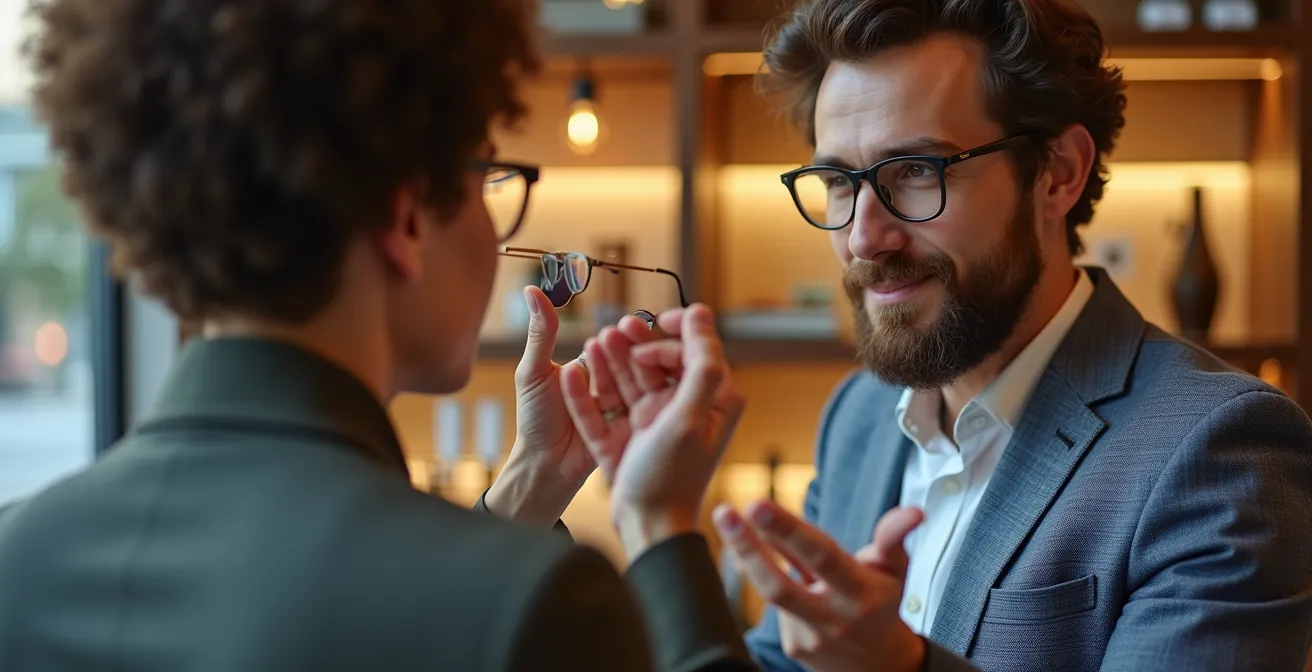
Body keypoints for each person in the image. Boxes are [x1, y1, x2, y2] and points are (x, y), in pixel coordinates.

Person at [546, 0, 1312, 670]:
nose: (863, 238)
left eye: (915, 170)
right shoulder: (858, 419)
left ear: (1057, 173)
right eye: (841, 182)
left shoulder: (1222, 452)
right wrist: (655, 518)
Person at [0, 1, 757, 670]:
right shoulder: (537, 606)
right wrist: (660, 525)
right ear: (406, 220)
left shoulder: (16, 557)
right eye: (491, 179)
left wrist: (533, 479)